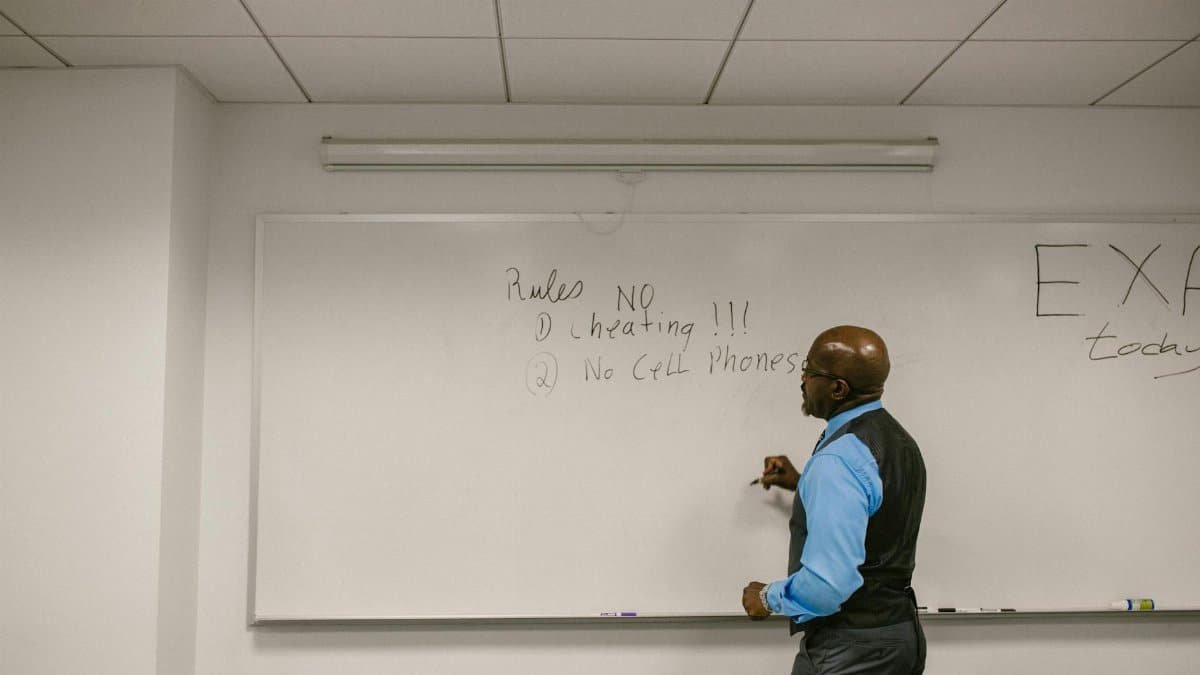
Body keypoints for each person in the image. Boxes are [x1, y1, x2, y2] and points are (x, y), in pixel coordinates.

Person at [741, 326, 927, 675]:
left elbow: (827, 586)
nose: (802, 381)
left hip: (849, 649)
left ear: (838, 389)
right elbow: (874, 508)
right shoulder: (900, 442)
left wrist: (766, 598)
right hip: (900, 636)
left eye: (809, 372)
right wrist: (802, 483)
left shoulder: (837, 461)